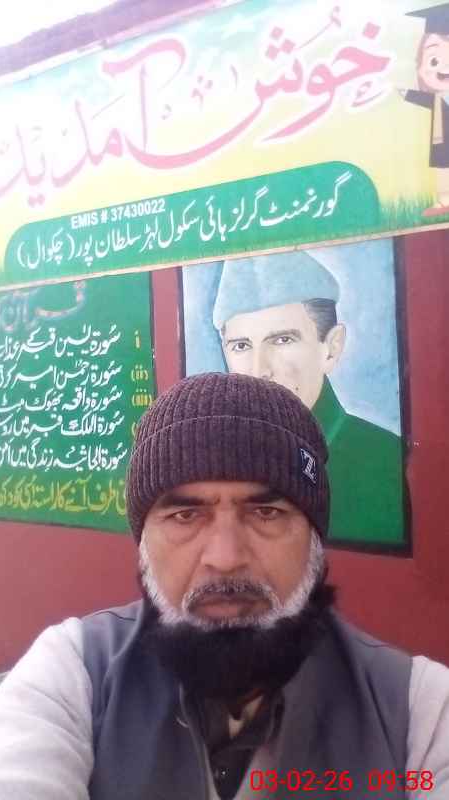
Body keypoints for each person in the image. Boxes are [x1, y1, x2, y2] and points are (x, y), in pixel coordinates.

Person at [0, 372, 448, 800]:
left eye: (266, 512)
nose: (225, 558)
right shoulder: (73, 673)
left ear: (315, 542)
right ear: (143, 545)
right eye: (185, 515)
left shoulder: (419, 711)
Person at [212, 251, 405, 546]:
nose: (259, 370)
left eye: (282, 340)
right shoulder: (214, 459)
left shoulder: (384, 460)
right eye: (241, 346)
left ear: (331, 348)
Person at [402, 3, 449, 216]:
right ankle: (445, 201)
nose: (444, 68)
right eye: (434, 60)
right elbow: (424, 100)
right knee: (443, 169)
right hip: (442, 141)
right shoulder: (437, 98)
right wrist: (405, 93)